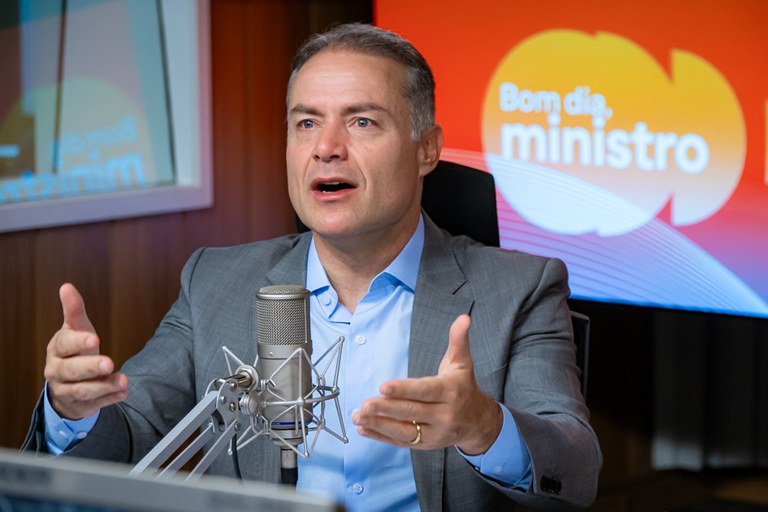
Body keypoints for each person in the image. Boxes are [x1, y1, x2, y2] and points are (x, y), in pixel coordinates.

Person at [23, 23, 601, 511]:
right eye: (306, 123)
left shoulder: (519, 289)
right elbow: (129, 439)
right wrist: (74, 410)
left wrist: (484, 427)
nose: (326, 147)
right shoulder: (215, 282)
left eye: (361, 121)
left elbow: (575, 471)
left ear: (426, 149)